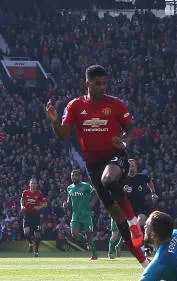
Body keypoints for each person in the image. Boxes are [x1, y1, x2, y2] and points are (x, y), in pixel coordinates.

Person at [45, 65, 148, 268]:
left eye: (104, 83)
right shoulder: (75, 106)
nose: (102, 87)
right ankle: (145, 263)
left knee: (108, 178)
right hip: (93, 165)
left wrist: (124, 143)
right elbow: (63, 134)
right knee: (118, 219)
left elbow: (130, 129)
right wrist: (55, 122)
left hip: (116, 157)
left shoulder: (116, 105)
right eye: (98, 84)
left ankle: (134, 222)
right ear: (87, 84)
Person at [63, 169, 98, 260]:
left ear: (80, 176)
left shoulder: (86, 186)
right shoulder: (69, 188)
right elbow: (69, 200)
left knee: (89, 235)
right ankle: (88, 242)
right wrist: (66, 204)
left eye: (76, 175)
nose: (74, 177)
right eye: (72, 176)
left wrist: (93, 202)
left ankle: (94, 255)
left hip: (86, 214)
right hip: (75, 215)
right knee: (74, 234)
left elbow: (95, 194)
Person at [20, 178, 47, 257]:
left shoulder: (39, 193)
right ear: (29, 184)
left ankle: (36, 252)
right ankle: (31, 244)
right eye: (32, 183)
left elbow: (45, 204)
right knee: (26, 233)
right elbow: (21, 200)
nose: (33, 185)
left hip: (36, 217)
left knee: (37, 236)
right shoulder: (25, 192)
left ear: (37, 185)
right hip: (27, 215)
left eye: (35, 183)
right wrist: (22, 206)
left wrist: (40, 207)